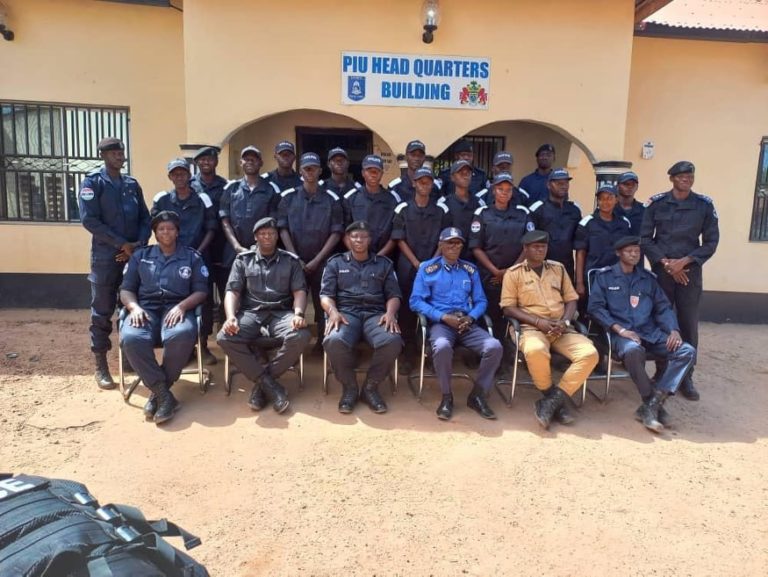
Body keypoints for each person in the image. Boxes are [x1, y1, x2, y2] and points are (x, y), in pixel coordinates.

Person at [588, 236, 696, 433]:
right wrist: (618, 329)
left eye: (637, 251)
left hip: (649, 332)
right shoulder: (604, 278)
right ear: (618, 253)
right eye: (629, 251)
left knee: (686, 351)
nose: (634, 254)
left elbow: (663, 307)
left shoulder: (647, 279)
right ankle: (649, 400)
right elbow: (595, 308)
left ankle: (653, 403)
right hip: (620, 334)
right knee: (633, 351)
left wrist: (673, 330)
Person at [500, 230, 599, 430]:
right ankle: (552, 398)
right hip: (531, 328)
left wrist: (565, 321)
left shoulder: (558, 269)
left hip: (561, 328)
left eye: (543, 246)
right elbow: (508, 307)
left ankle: (551, 401)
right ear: (525, 249)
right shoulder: (513, 274)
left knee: (590, 354)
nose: (540, 250)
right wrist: (538, 322)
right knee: (535, 350)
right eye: (535, 247)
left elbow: (571, 299)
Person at [640, 160, 719, 401]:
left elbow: (711, 242)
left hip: (689, 273)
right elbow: (645, 238)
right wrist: (666, 264)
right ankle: (662, 371)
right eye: (681, 176)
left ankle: (686, 377)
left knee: (687, 323)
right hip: (662, 271)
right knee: (662, 320)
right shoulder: (656, 204)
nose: (686, 179)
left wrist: (683, 262)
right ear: (672, 178)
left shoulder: (703, 205)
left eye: (690, 176)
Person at [119, 211, 208, 425]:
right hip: (146, 309)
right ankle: (163, 394)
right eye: (161, 229)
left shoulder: (192, 257)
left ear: (177, 231)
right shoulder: (141, 256)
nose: (166, 232)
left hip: (177, 308)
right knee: (131, 338)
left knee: (183, 333)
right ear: (155, 234)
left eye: (170, 228)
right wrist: (134, 308)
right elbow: (126, 289)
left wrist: (182, 306)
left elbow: (201, 290)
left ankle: (157, 394)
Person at [217, 217, 311, 414]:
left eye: (271, 233)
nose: (267, 237)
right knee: (225, 337)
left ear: (277, 236)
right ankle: (269, 384)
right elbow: (232, 291)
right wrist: (231, 317)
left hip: (281, 313)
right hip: (251, 313)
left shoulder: (290, 261)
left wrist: (299, 313)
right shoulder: (243, 260)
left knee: (301, 335)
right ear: (255, 237)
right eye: (262, 234)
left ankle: (264, 382)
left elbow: (299, 291)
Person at [78, 137, 151, 390]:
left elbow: (145, 217)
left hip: (132, 255)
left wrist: (138, 244)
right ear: (103, 155)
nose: (120, 156)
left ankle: (128, 357)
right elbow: (90, 221)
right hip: (106, 258)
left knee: (130, 306)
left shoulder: (131, 184)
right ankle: (101, 365)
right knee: (102, 311)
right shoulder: (92, 183)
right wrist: (122, 244)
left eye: (121, 151)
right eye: (114, 152)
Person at [410, 227, 502, 420]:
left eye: (458, 243)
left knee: (494, 346)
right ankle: (446, 397)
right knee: (442, 346)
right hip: (441, 322)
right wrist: (443, 317)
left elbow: (481, 301)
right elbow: (416, 301)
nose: (454, 247)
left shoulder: (470, 270)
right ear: (440, 245)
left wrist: (471, 317)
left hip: (466, 323)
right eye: (449, 243)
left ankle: (477, 395)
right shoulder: (427, 269)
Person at [320, 221, 403, 414]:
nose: (359, 240)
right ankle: (349, 387)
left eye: (363, 236)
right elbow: (325, 295)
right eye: (355, 236)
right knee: (333, 341)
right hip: (346, 314)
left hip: (376, 314)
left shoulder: (384, 264)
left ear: (369, 240)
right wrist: (332, 312)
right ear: (348, 239)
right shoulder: (335, 263)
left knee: (392, 340)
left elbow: (394, 295)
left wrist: (390, 313)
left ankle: (370, 387)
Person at [151, 158, 218, 364]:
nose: (179, 177)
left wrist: (196, 253)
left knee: (203, 300)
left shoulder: (203, 198)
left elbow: (211, 229)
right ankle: (183, 346)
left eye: (183, 173)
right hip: (170, 259)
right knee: (177, 297)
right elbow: (156, 229)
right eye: (175, 174)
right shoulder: (162, 200)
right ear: (170, 177)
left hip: (199, 256)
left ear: (189, 175)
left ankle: (203, 346)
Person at [278, 152, 344, 355]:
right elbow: (282, 229)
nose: (310, 172)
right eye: (306, 168)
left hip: (322, 260)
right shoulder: (288, 198)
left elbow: (336, 232)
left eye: (314, 168)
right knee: (290, 302)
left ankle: (323, 342)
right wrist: (294, 257)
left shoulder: (331, 200)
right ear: (300, 171)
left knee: (321, 301)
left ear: (320, 171)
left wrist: (317, 259)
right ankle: (289, 343)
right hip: (294, 260)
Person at [469, 172, 534, 366]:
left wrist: (510, 271)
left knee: (509, 315)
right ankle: (483, 354)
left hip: (515, 276)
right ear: (493, 190)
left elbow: (528, 245)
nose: (504, 193)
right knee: (486, 313)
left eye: (508, 189)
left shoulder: (523, 212)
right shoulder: (482, 213)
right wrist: (496, 272)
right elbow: (476, 247)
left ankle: (505, 355)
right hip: (488, 275)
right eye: (500, 189)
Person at [391, 167, 451, 371]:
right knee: (407, 312)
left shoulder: (441, 210)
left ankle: (432, 353)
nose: (425, 185)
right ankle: (408, 353)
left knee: (434, 310)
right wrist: (417, 263)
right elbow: (399, 238)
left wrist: (432, 262)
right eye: (421, 181)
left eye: (428, 182)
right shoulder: (402, 209)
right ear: (414, 183)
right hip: (409, 267)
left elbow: (445, 240)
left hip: (436, 267)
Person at [190, 145, 231, 343]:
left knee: (228, 295)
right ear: (197, 162)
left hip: (223, 249)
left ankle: (227, 339)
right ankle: (203, 343)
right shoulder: (189, 186)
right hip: (199, 249)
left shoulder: (226, 186)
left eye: (210, 159)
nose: (206, 162)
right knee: (203, 296)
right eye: (202, 159)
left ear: (216, 162)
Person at [219, 146, 281, 269]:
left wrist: (260, 245)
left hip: (262, 250)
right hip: (233, 250)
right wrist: (236, 246)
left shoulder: (271, 189)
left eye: (254, 159)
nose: (250, 162)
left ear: (261, 163)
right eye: (246, 159)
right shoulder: (231, 188)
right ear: (241, 163)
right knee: (231, 286)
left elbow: (273, 223)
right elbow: (225, 221)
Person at [573, 185, 631, 299]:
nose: (605, 202)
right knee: (594, 309)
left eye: (609, 198)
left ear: (616, 200)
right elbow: (580, 254)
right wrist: (579, 282)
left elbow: (628, 251)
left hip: (617, 275)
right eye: (601, 198)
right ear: (598, 201)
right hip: (594, 275)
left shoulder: (624, 223)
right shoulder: (587, 223)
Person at [528, 168, 582, 280]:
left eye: (566, 183)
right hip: (542, 267)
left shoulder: (574, 210)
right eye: (559, 183)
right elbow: (529, 242)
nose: (563, 186)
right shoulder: (537, 209)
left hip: (567, 267)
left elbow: (579, 242)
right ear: (549, 185)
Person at [342, 154, 400, 256]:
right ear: (363, 173)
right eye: (369, 171)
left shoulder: (393, 199)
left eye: (376, 171)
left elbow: (395, 234)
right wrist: (358, 255)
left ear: (382, 173)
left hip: (384, 258)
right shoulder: (351, 198)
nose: (373, 174)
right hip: (356, 258)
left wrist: (378, 258)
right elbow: (344, 232)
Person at [440, 159, 487, 261]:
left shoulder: (480, 203)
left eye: (468, 173)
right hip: (451, 258)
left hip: (475, 259)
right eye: (461, 173)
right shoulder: (444, 204)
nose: (465, 176)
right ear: (452, 177)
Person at [614, 171, 645, 235]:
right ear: (617, 186)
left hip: (637, 244)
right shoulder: (609, 208)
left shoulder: (644, 210)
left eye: (633, 184)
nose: (630, 187)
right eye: (626, 184)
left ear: (637, 187)